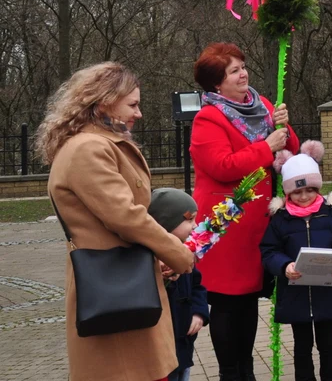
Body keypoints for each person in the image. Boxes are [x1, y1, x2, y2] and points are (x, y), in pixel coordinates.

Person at [38, 62, 195, 381]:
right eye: (133, 104)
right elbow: (126, 217)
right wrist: (176, 252)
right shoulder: (88, 149)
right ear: (104, 101)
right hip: (113, 288)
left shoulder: (98, 143)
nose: (139, 113)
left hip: (121, 281)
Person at [190, 42, 300, 381]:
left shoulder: (263, 105)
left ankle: (247, 370)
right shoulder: (208, 119)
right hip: (226, 226)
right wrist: (265, 147)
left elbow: (290, 152)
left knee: (249, 301)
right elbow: (223, 167)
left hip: (257, 227)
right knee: (226, 303)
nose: (243, 73)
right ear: (216, 84)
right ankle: (230, 372)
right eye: (233, 70)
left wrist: (285, 127)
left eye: (242, 66)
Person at [261, 142, 332, 381]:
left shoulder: (331, 214)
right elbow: (269, 250)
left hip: (327, 292)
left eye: (309, 190)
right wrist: (284, 266)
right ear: (287, 192)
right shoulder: (281, 220)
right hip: (295, 295)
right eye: (297, 192)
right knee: (302, 345)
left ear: (317, 187)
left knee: (327, 343)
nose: (303, 196)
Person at [148, 189, 210, 381]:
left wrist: (199, 313)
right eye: (190, 220)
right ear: (167, 224)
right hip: (162, 347)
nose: (195, 226)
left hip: (184, 344)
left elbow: (197, 286)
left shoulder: (184, 252)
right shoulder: (152, 260)